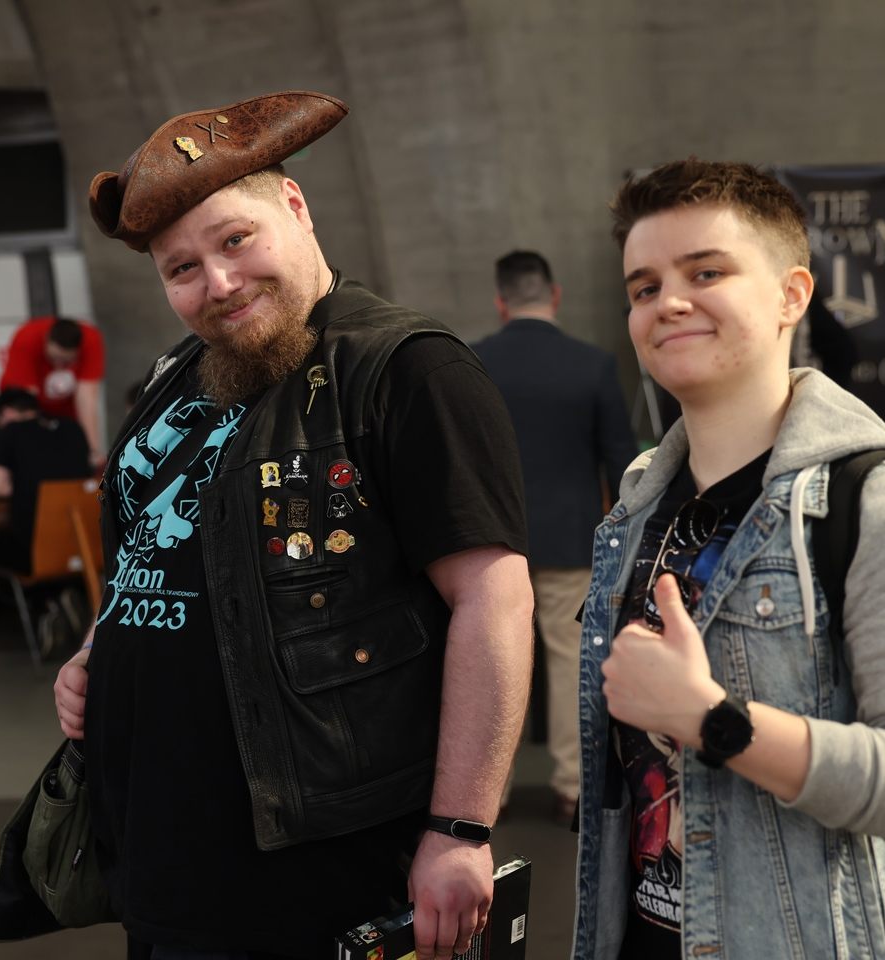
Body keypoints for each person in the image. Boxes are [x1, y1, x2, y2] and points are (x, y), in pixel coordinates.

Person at [53, 90, 534, 960]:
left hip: (313, 874)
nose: (218, 283)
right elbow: (148, 550)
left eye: (236, 240)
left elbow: (494, 601)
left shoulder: (407, 371)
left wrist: (460, 827)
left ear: (296, 207)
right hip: (161, 857)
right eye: (181, 268)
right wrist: (101, 649)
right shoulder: (175, 376)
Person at [572, 159, 885, 958]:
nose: (669, 302)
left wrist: (713, 721)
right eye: (644, 287)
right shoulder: (638, 504)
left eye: (707, 272)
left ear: (791, 296)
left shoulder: (881, 503)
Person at [472, 250, 637, 825]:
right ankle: (572, 787)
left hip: (493, 545)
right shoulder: (592, 365)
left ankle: (489, 794)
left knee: (493, 661)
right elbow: (622, 462)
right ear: (555, 295)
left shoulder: (473, 361)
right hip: (572, 541)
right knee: (572, 664)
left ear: (501, 302)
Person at [0, 388, 93, 574]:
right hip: (82, 547)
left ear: (7, 413)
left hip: (34, 550)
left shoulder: (12, 431)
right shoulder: (73, 427)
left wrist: (25, 486)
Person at [0, 315, 106, 466]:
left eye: (66, 361)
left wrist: (92, 450)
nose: (58, 366)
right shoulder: (27, 337)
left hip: (66, 413)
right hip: (26, 406)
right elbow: (26, 401)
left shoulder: (91, 339)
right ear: (46, 340)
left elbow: (87, 397)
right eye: (54, 358)